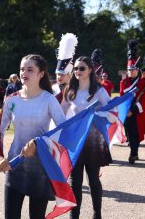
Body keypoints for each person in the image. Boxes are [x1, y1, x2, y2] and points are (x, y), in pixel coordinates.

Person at [0, 54, 66, 219]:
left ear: (41, 74)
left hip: (40, 169)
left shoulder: (49, 100)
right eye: (22, 69)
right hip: (14, 167)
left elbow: (63, 130)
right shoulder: (12, 100)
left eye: (30, 69)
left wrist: (39, 143)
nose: (24, 72)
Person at [62, 56, 112, 219]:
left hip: (92, 141)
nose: (77, 71)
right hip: (74, 143)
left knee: (93, 181)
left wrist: (97, 113)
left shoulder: (99, 91)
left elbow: (112, 113)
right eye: (75, 68)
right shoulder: (70, 90)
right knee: (74, 182)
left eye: (81, 68)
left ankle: (97, 214)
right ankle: (73, 215)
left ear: (90, 70)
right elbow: (60, 115)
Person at [119, 39, 140, 164]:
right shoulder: (124, 82)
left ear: (137, 70)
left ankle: (133, 153)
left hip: (137, 111)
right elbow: (122, 96)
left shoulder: (142, 82)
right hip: (126, 110)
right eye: (129, 70)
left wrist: (133, 110)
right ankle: (133, 150)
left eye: (133, 70)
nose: (131, 72)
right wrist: (126, 110)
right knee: (128, 131)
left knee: (134, 133)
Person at [52, 33, 78, 103]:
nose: (59, 76)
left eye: (62, 74)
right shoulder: (52, 88)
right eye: (58, 74)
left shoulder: (75, 89)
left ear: (69, 75)